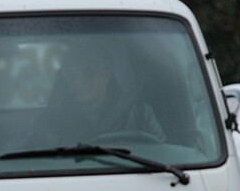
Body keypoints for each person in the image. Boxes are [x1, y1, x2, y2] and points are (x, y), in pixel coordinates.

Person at [32, 42, 166, 147]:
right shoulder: (50, 120)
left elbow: (163, 157)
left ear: (105, 76)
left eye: (87, 73)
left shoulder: (140, 114)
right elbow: (38, 164)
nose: (78, 81)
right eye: (71, 74)